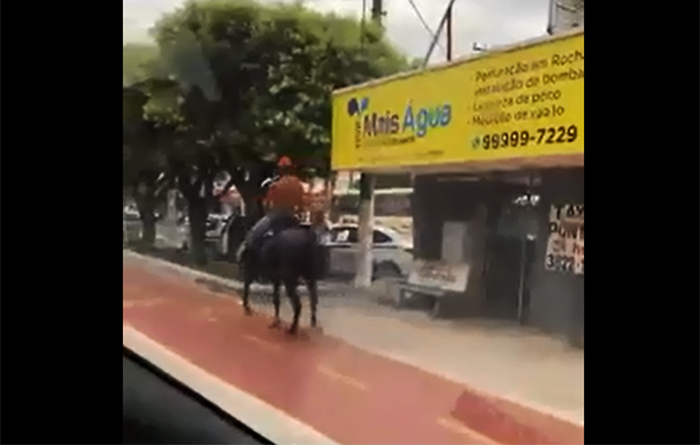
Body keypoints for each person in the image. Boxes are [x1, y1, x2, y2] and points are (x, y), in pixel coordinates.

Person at [237, 156, 306, 261]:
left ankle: (249, 260)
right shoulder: (298, 184)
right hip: (293, 216)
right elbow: (301, 204)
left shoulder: (275, 185)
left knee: (254, 234)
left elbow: (268, 205)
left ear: (280, 169)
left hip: (277, 215)